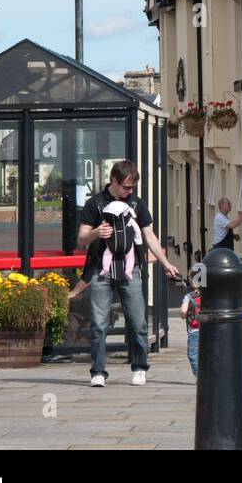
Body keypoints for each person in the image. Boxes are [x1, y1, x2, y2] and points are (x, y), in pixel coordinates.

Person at [79, 160, 181, 387]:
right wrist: (96, 232)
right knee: (98, 323)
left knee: (137, 321)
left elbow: (149, 236)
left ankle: (139, 367)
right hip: (101, 270)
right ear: (113, 181)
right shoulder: (94, 204)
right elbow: (82, 237)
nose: (130, 191)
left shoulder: (137, 204)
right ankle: (98, 372)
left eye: (133, 187)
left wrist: (165, 263)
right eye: (126, 187)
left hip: (130, 269)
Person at [180, 281, 201, 377]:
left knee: (193, 354)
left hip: (194, 329)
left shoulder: (189, 296)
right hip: (209, 329)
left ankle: (199, 375)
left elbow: (183, 311)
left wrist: (184, 316)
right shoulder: (211, 294)